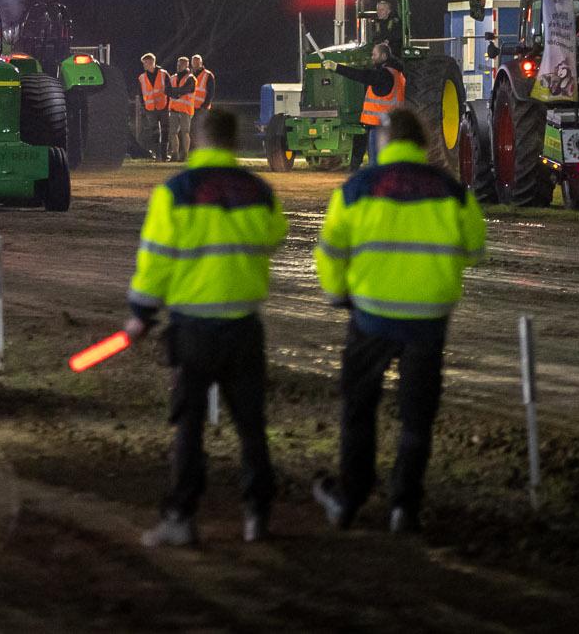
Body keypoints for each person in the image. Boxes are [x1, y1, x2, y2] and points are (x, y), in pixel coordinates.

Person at [312, 107, 486, 535]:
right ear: (423, 142)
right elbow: (474, 249)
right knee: (417, 415)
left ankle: (349, 498)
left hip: (370, 316)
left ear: (384, 141)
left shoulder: (356, 190)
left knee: (359, 407)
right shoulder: (452, 191)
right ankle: (404, 507)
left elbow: (330, 251)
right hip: (428, 319)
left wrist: (339, 294)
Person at [123, 108, 288, 547]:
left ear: (196, 140)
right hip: (243, 328)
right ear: (235, 144)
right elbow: (274, 237)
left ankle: (181, 517)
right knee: (252, 426)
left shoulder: (174, 193)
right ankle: (257, 515)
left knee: (190, 427)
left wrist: (141, 313)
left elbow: (155, 259)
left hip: (192, 330)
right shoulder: (260, 191)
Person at [333, 41, 407, 170]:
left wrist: (337, 68)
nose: (372, 57)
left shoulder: (384, 75)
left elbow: (362, 76)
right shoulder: (397, 74)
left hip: (379, 126)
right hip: (390, 124)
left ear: (384, 56)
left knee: (376, 163)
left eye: (374, 55)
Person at [135, 53, 171, 161]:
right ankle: (158, 155)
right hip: (150, 109)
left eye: (145, 63)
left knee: (165, 131)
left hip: (163, 107)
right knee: (155, 132)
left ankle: (164, 155)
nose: (144, 65)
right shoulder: (142, 77)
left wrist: (168, 104)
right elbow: (141, 93)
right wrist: (143, 106)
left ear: (151, 62)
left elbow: (169, 90)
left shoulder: (164, 74)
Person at [166, 57, 197, 162]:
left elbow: (186, 90)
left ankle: (184, 154)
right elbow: (167, 90)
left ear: (187, 65)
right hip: (174, 109)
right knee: (173, 132)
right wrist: (177, 92)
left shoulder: (191, 78)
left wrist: (175, 92)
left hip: (185, 110)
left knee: (185, 132)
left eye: (181, 64)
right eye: (178, 64)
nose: (179, 66)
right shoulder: (173, 77)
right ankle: (175, 154)